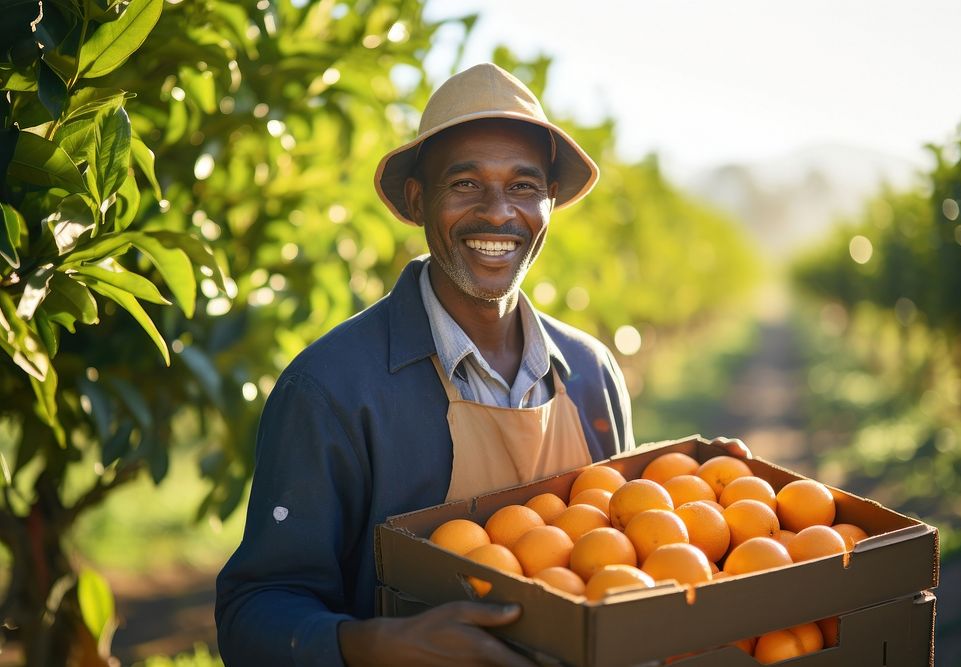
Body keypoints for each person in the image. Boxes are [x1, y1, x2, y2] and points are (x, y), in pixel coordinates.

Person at [215, 63, 747, 666]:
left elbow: (625, 547)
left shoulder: (591, 373)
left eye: (524, 186)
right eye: (465, 183)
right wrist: (373, 645)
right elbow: (254, 611)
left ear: (549, 204)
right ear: (418, 199)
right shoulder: (333, 389)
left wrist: (694, 491)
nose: (498, 213)